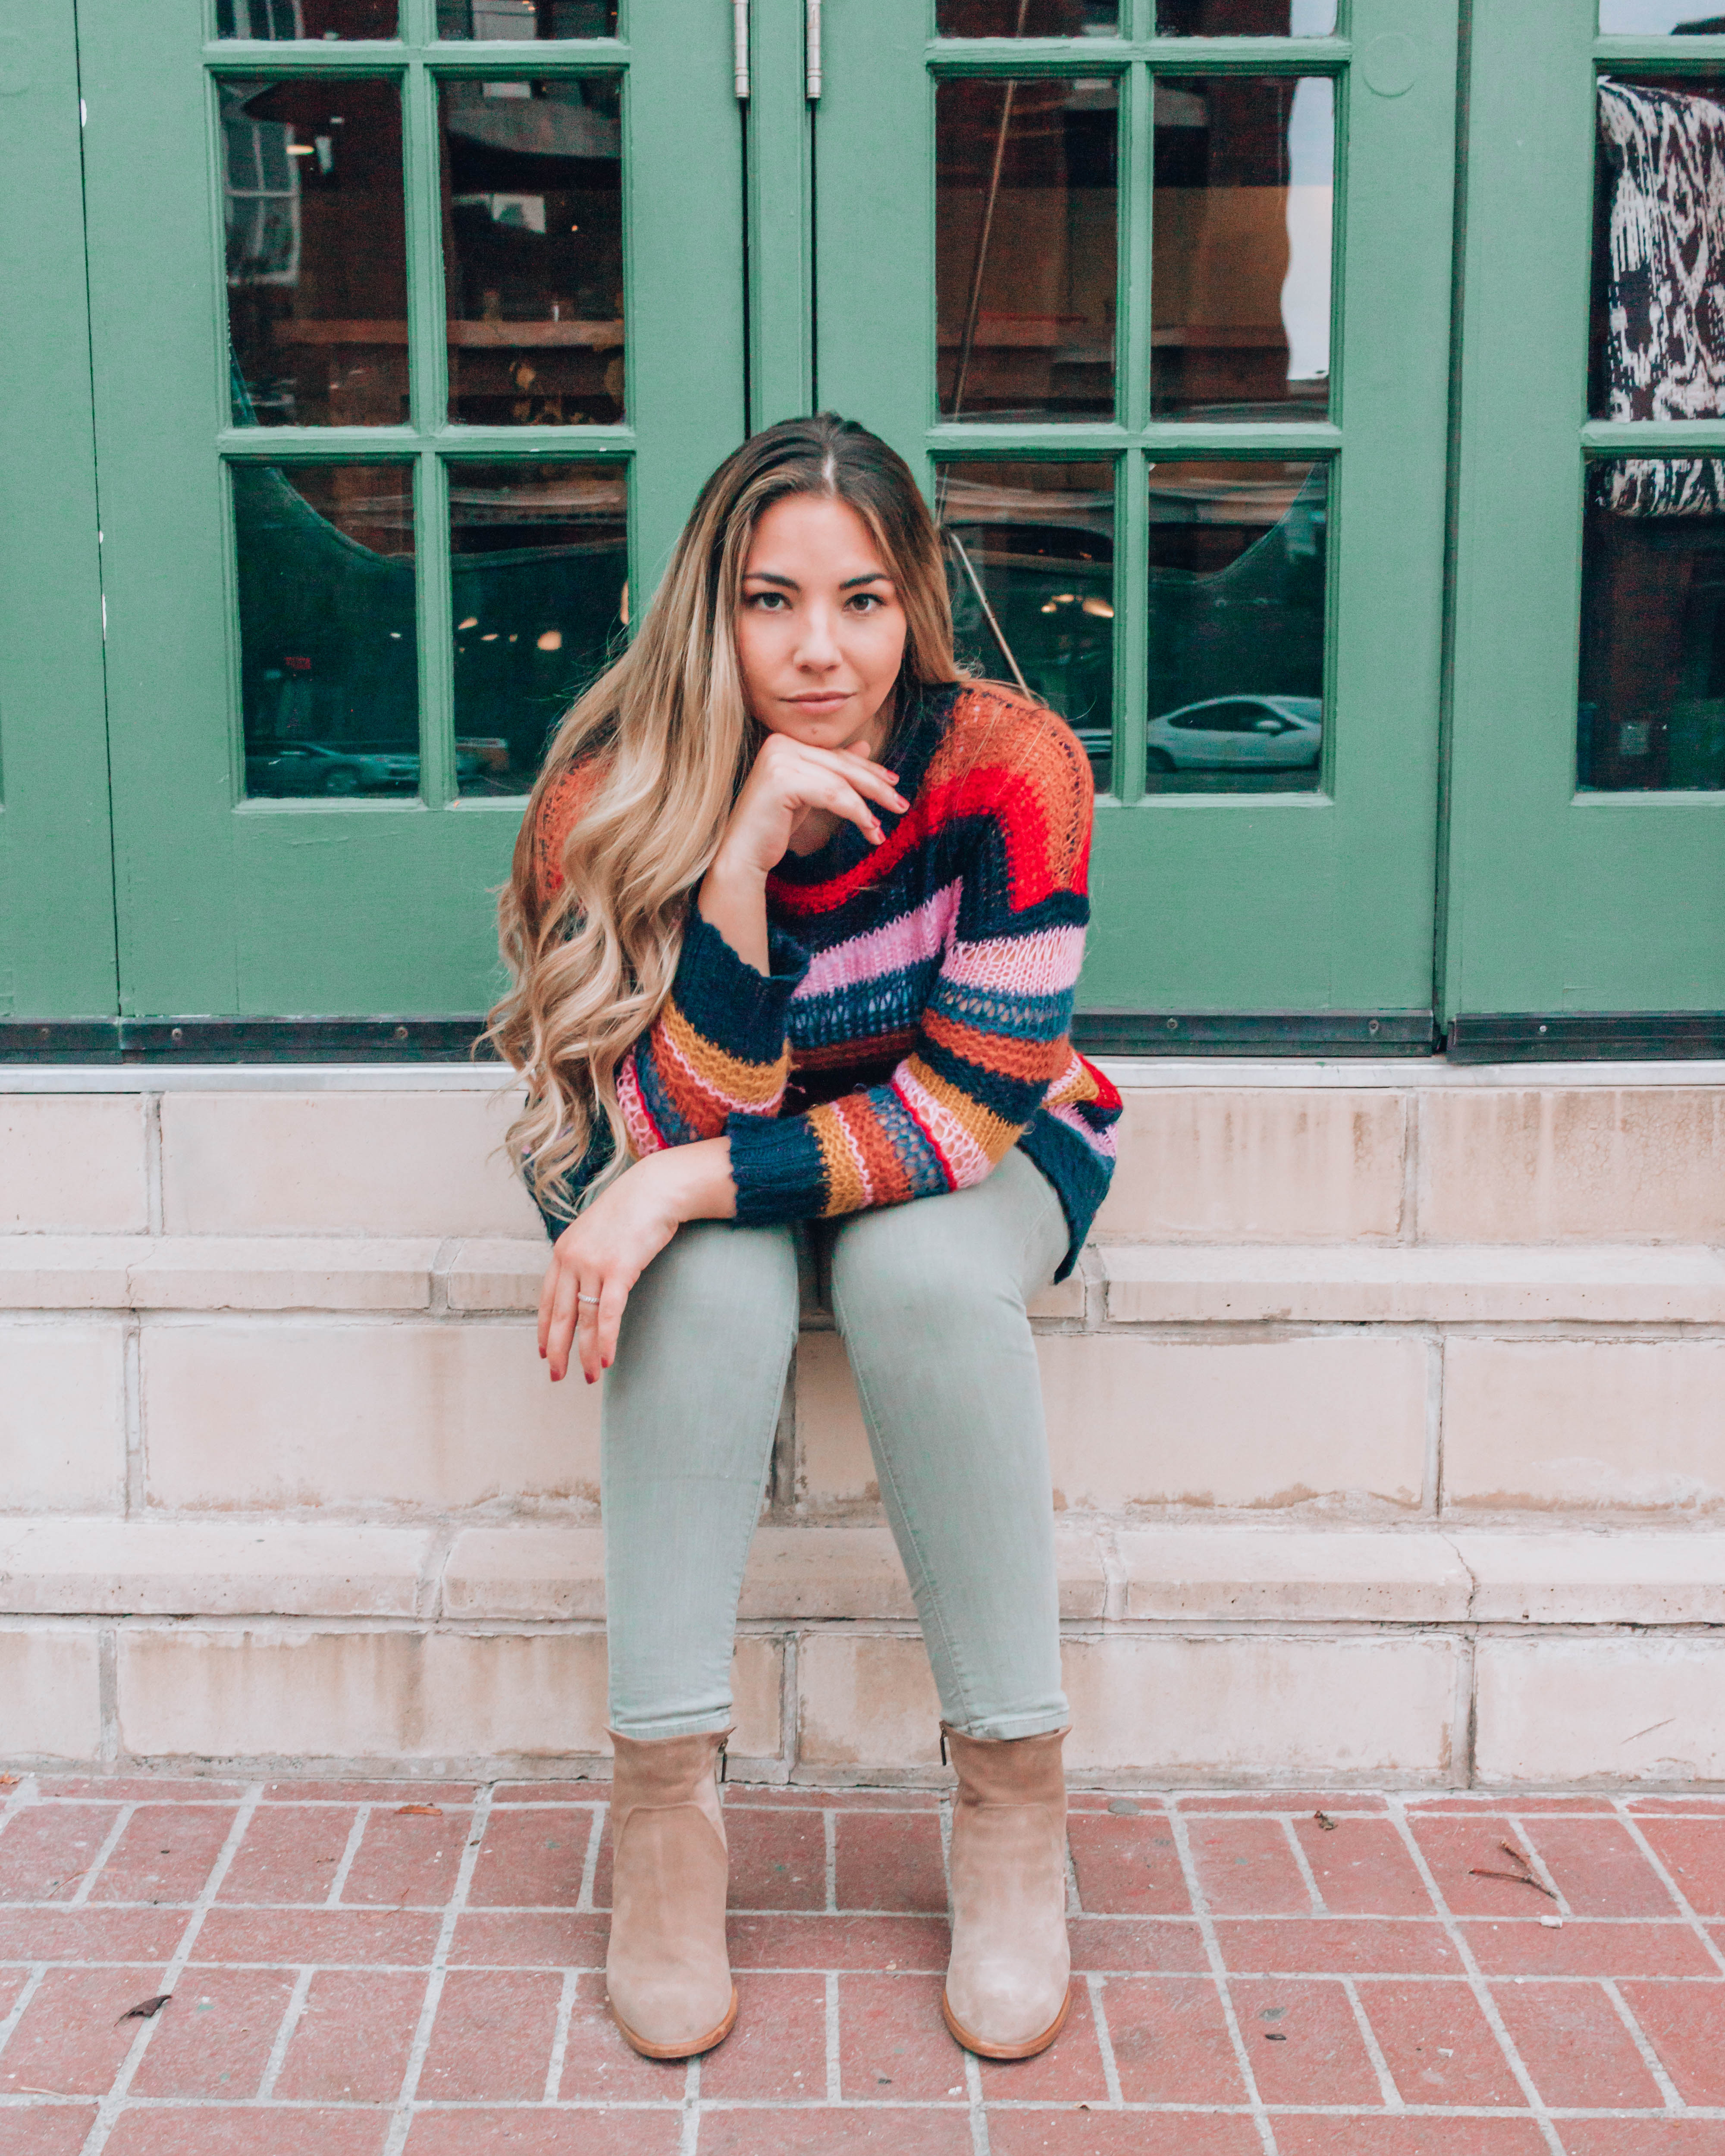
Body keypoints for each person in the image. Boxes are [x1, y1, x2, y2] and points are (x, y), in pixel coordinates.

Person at [488, 414, 1121, 2067]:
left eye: (859, 600)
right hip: (695, 1116)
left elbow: (965, 1118)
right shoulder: (608, 795)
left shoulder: (1011, 767)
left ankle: (1009, 1806)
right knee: (703, 1285)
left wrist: (674, 1191)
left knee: (911, 1269)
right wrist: (741, 873)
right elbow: (671, 1121)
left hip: (956, 1125)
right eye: (772, 602)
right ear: (715, 607)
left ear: (914, 601)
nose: (819, 650)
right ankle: (665, 1815)